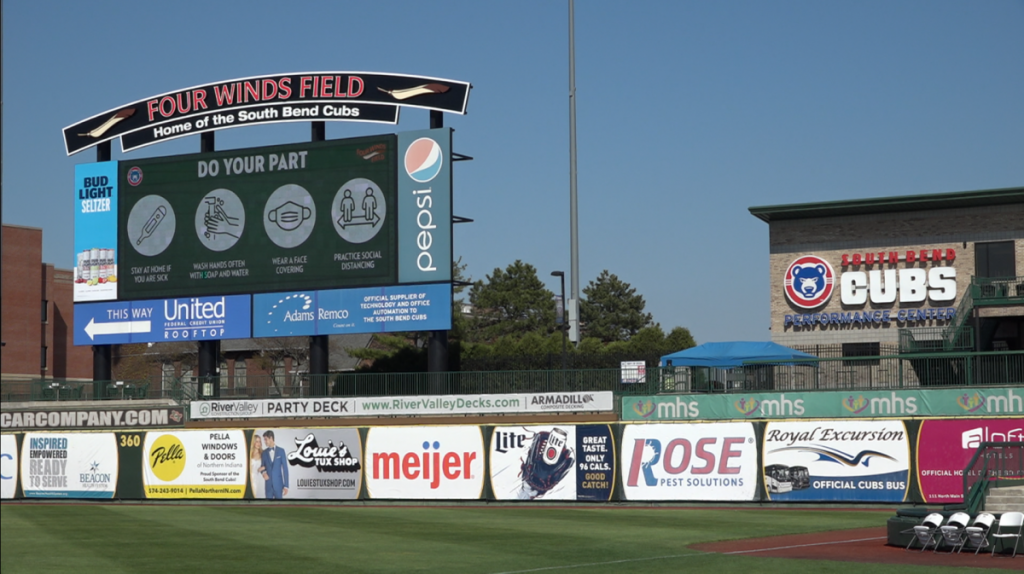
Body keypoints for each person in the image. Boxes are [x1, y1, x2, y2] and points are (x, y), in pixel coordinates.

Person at [259, 430, 288, 499]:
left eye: (266, 439)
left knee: (279, 507)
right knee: (268, 508)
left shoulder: (281, 451)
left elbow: (285, 469)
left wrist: (286, 485)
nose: (264, 442)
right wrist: (263, 473)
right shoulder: (264, 453)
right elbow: (262, 467)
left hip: (279, 485)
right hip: (268, 486)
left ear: (271, 438)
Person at [249, 434, 265, 499]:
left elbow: (269, 464)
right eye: (257, 441)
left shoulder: (263, 453)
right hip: (248, 478)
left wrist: (263, 468)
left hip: (255, 478)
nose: (258, 443)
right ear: (253, 442)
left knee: (253, 495)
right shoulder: (249, 453)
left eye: (259, 441)